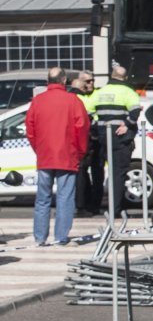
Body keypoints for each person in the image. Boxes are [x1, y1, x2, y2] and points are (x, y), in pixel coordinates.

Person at [26, 67, 91, 246]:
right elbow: (82, 127)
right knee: (65, 197)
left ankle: (40, 237)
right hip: (67, 155)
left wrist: (38, 149)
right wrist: (80, 152)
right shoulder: (73, 101)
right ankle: (60, 236)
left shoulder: (38, 101)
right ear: (64, 80)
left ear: (48, 80)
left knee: (42, 198)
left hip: (45, 156)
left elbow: (30, 130)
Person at [91, 64, 141, 211]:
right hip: (120, 137)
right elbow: (135, 111)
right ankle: (115, 209)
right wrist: (127, 124)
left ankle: (104, 206)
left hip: (102, 137)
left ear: (111, 76)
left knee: (108, 172)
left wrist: (97, 126)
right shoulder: (128, 92)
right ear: (125, 78)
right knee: (118, 173)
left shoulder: (100, 92)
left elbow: (88, 111)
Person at [68, 71, 101, 215]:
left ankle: (90, 205)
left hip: (95, 139)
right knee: (81, 173)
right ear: (80, 83)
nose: (91, 84)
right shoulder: (76, 98)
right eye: (87, 81)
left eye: (92, 80)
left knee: (92, 174)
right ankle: (83, 205)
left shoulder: (96, 95)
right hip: (83, 140)